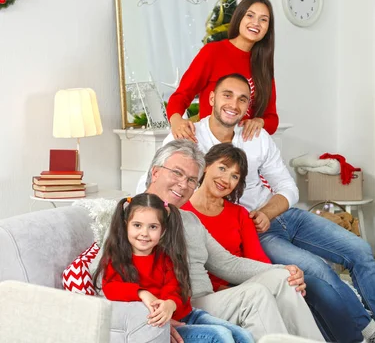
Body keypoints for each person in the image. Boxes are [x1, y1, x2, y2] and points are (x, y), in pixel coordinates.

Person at [162, 74, 375, 343]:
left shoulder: (256, 135)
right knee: (318, 270)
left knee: (360, 250)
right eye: (227, 95)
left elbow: (288, 188)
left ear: (248, 107)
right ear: (211, 99)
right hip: (254, 228)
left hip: (281, 215)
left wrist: (268, 212)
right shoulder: (190, 136)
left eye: (242, 99)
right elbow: (159, 181)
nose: (233, 104)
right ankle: (369, 334)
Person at [141, 140, 324, 342]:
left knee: (283, 279)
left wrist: (283, 269)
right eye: (177, 173)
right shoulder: (135, 218)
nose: (184, 184)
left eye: (192, 180)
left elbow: (227, 263)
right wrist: (151, 321)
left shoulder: (189, 220)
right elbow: (112, 280)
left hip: (206, 300)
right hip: (179, 306)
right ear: (156, 172)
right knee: (255, 295)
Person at [93, 193, 253, 343]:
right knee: (220, 335)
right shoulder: (116, 257)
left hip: (187, 315)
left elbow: (176, 287)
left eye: (153, 227)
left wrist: (170, 304)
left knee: (243, 335)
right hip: (159, 325)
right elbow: (111, 288)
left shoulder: (166, 256)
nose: (144, 233)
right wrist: (142, 293)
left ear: (163, 230)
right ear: (126, 224)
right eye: (137, 225)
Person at [167, 0, 279, 142]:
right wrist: (176, 121)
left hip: (245, 149)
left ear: (267, 29)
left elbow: (272, 119)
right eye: (250, 16)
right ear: (239, 18)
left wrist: (260, 122)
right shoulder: (213, 52)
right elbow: (181, 95)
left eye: (263, 19)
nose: (256, 23)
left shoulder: (263, 65)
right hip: (209, 145)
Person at [181, 143, 272, 292]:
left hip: (244, 288)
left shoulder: (240, 214)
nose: (226, 180)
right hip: (201, 292)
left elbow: (258, 260)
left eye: (234, 176)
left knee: (296, 282)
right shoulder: (181, 211)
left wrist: (283, 274)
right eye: (222, 168)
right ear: (206, 166)